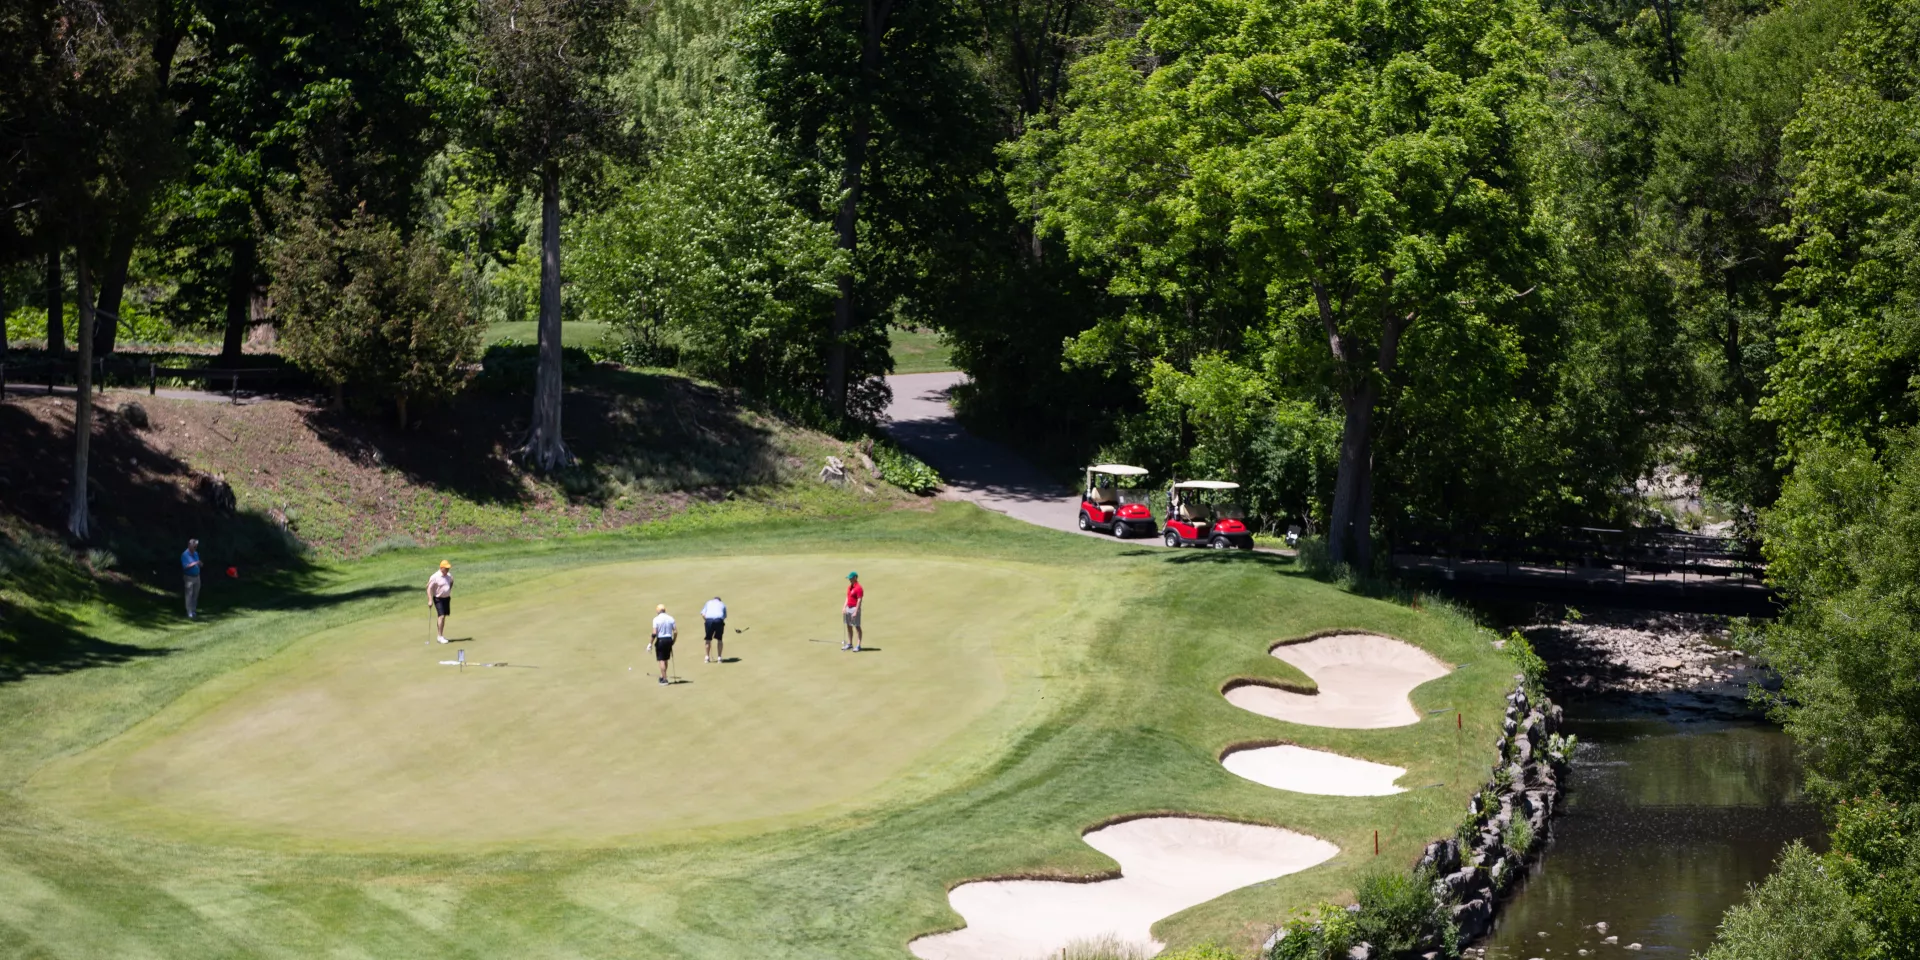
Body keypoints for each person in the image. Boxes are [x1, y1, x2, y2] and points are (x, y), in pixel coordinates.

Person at [427, 560, 453, 643]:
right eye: (446, 568)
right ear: (441, 568)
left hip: (446, 598)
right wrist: (430, 600)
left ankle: (440, 635)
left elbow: (451, 581)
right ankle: (440, 636)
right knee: (441, 616)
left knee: (443, 616)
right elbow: (428, 588)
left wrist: (448, 590)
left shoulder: (449, 575)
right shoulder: (435, 576)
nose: (447, 570)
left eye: (448, 568)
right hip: (438, 599)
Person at [651, 604, 677, 685]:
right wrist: (673, 641)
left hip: (661, 640)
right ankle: (663, 676)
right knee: (665, 659)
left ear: (658, 611)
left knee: (661, 660)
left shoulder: (656, 619)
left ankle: (664, 679)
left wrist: (650, 643)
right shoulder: (671, 618)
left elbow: (654, 633)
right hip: (669, 639)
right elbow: (675, 632)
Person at [841, 571, 864, 652]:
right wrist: (844, 607)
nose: (849, 580)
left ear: (855, 578)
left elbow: (859, 600)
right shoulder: (849, 587)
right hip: (848, 608)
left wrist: (856, 611)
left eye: (851, 578)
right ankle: (850, 644)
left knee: (857, 627)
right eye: (849, 578)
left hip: (855, 608)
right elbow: (847, 598)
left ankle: (858, 645)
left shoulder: (859, 588)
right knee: (848, 626)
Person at [701, 595, 727, 663]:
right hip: (718, 620)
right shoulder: (722, 604)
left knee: (708, 639)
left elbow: (703, 614)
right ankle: (719, 658)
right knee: (719, 639)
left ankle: (707, 657)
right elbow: (724, 616)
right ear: (719, 600)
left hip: (709, 620)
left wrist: (706, 621)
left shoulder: (708, 602)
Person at [181, 539, 203, 619]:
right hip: (189, 578)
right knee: (189, 595)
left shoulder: (196, 553)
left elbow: (198, 563)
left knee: (195, 594)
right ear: (190, 546)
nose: (195, 548)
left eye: (196, 547)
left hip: (197, 577)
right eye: (194, 546)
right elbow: (185, 567)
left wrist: (200, 564)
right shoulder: (185, 555)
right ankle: (189, 612)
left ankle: (193, 610)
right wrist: (195, 563)